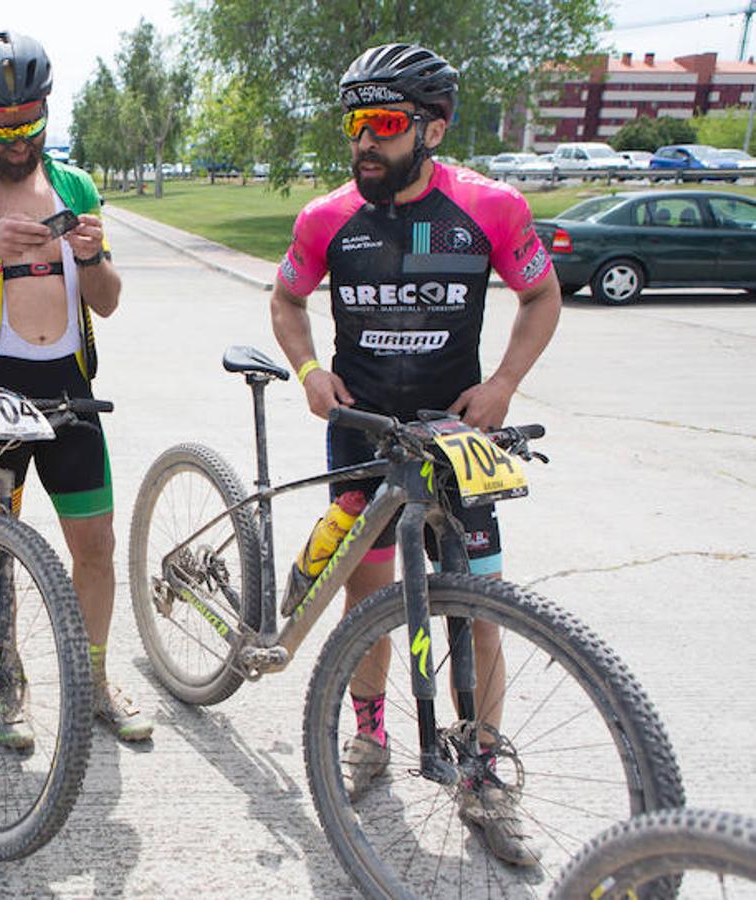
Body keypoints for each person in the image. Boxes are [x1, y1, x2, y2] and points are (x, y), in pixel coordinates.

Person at [269, 42, 562, 867]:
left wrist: (503, 382)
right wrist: (307, 369)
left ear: (431, 128)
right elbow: (286, 302)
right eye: (354, 123)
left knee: (474, 607)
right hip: (360, 433)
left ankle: (481, 771)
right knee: (366, 601)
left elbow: (540, 294)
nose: (363, 141)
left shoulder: (491, 207)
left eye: (383, 123)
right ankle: (369, 737)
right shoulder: (326, 217)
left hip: (453, 440)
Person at [0, 30, 152, 745]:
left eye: (29, 122)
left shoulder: (74, 185)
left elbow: (105, 299)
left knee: (96, 545)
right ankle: (5, 676)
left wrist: (91, 256)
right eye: (1, 126)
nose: (17, 138)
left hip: (69, 387)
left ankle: (94, 679)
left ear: (45, 110)